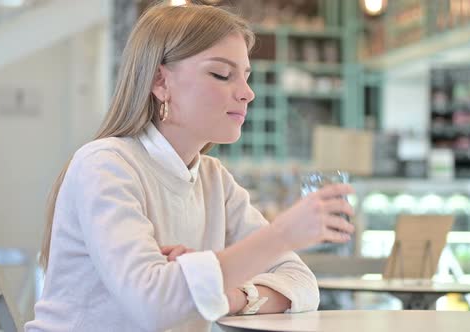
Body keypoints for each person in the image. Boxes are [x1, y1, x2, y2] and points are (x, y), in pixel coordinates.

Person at [25, 2, 355, 332]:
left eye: (246, 76)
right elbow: (155, 306)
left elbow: (302, 284)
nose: (247, 93)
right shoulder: (104, 165)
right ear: (160, 82)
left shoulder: (215, 180)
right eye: (222, 74)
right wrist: (282, 234)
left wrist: (223, 293)